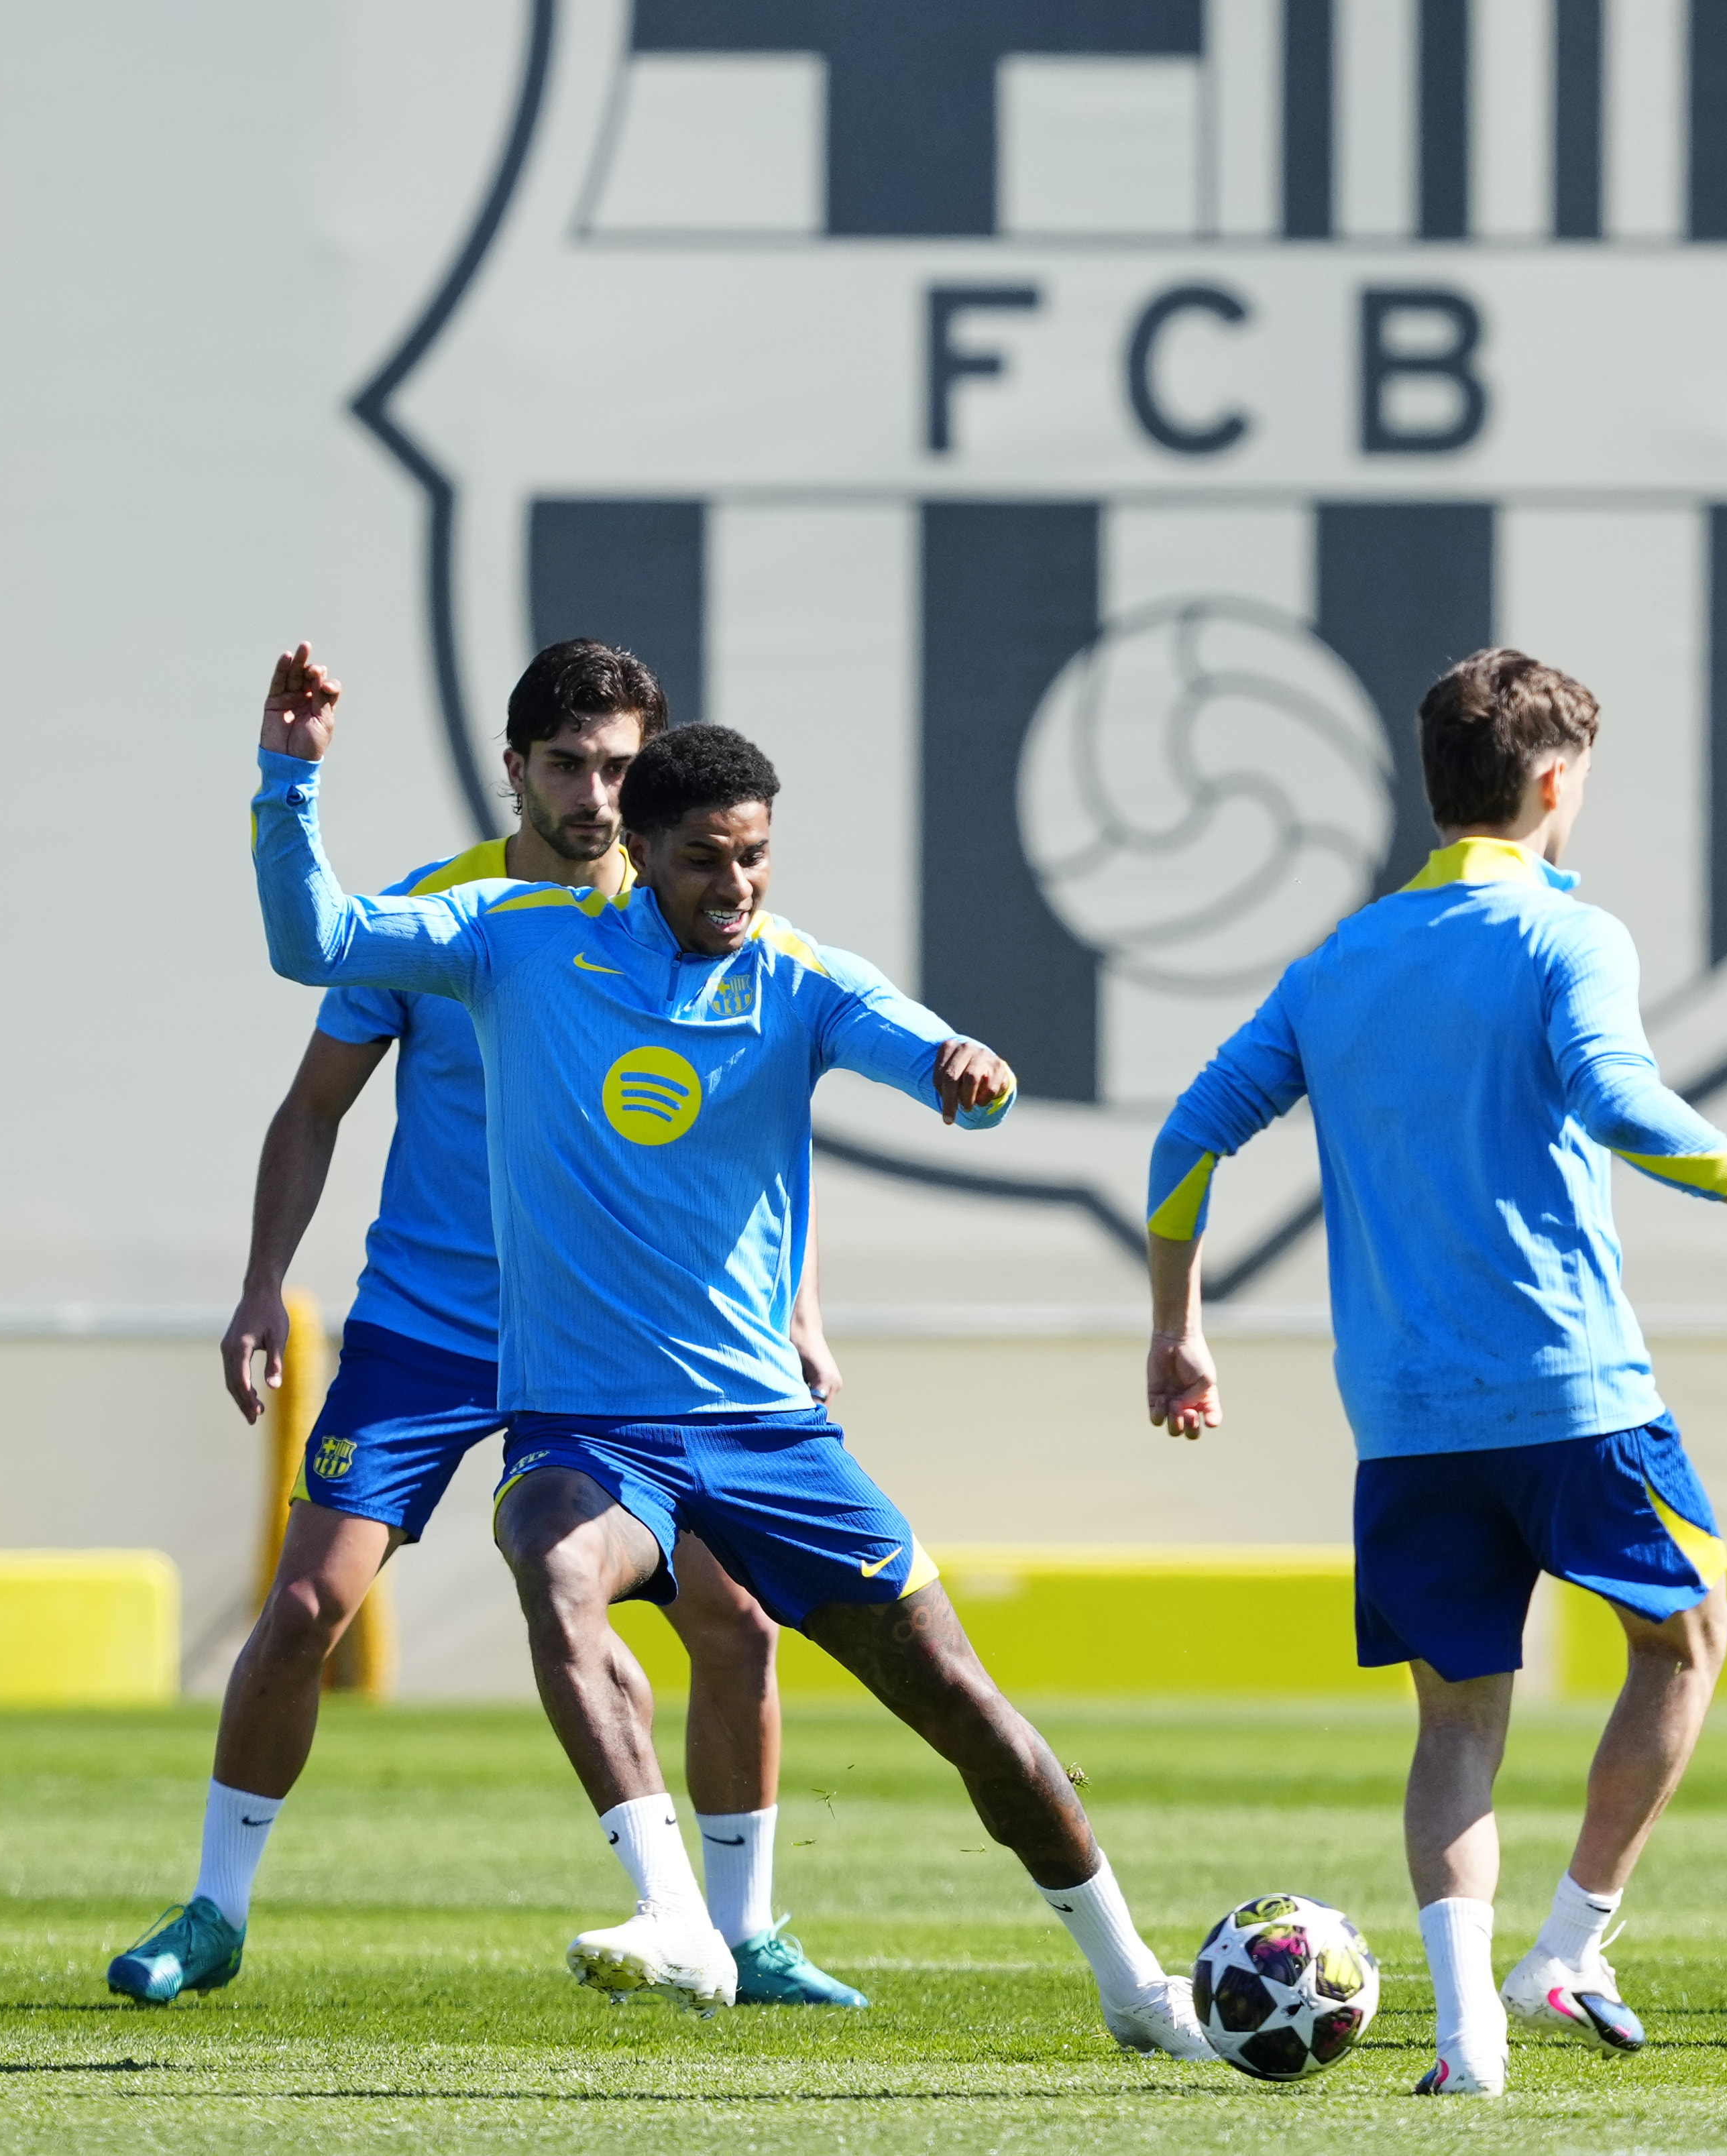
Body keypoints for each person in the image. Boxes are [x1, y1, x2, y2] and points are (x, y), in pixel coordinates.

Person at [243, 644, 1212, 2055]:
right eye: (708, 862)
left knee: (962, 1704)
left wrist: (968, 1075)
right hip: (587, 1427)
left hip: (767, 1435)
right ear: (637, 851)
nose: (739, 889)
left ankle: (1134, 1982)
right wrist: (291, 779)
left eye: (756, 859)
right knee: (556, 1564)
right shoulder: (511, 941)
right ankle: (679, 1917)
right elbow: (313, 943)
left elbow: (931, 1056)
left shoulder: (800, 978)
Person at [1141, 648, 1727, 2096]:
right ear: (1551, 783)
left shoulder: (1337, 960)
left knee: (1459, 1719)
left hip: (1405, 1419)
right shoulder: (1562, 935)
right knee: (1693, 1633)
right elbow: (1619, 1101)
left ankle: (1470, 2038)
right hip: (1570, 1389)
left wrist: (1180, 1324)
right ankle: (1571, 1947)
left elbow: (1183, 1143)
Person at [109, 640, 863, 2010]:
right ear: (513, 766)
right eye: (568, 764)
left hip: (633, 1344)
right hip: (431, 1328)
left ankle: (746, 1934)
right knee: (302, 1612)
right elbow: (314, 1109)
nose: (593, 794)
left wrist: (797, 1313)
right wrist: (259, 1281)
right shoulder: (444, 916)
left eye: (621, 768)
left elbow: (748, 1142)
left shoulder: (686, 915)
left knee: (737, 1617)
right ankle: (214, 1911)